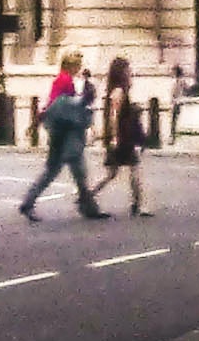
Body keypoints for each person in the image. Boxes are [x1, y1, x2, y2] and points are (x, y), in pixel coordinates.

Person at [22, 53, 103, 219]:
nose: (79, 68)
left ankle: (88, 207)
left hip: (63, 134)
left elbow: (52, 105)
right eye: (77, 65)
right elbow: (59, 105)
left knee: (71, 172)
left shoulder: (63, 79)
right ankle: (88, 207)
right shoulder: (64, 80)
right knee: (70, 172)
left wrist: (36, 123)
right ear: (71, 65)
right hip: (66, 135)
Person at [97, 56, 150, 215]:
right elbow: (113, 115)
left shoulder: (118, 90)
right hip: (122, 138)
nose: (130, 72)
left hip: (122, 137)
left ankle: (88, 195)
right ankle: (139, 205)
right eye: (127, 69)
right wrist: (114, 137)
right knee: (133, 168)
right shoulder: (119, 91)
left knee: (113, 173)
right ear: (121, 72)